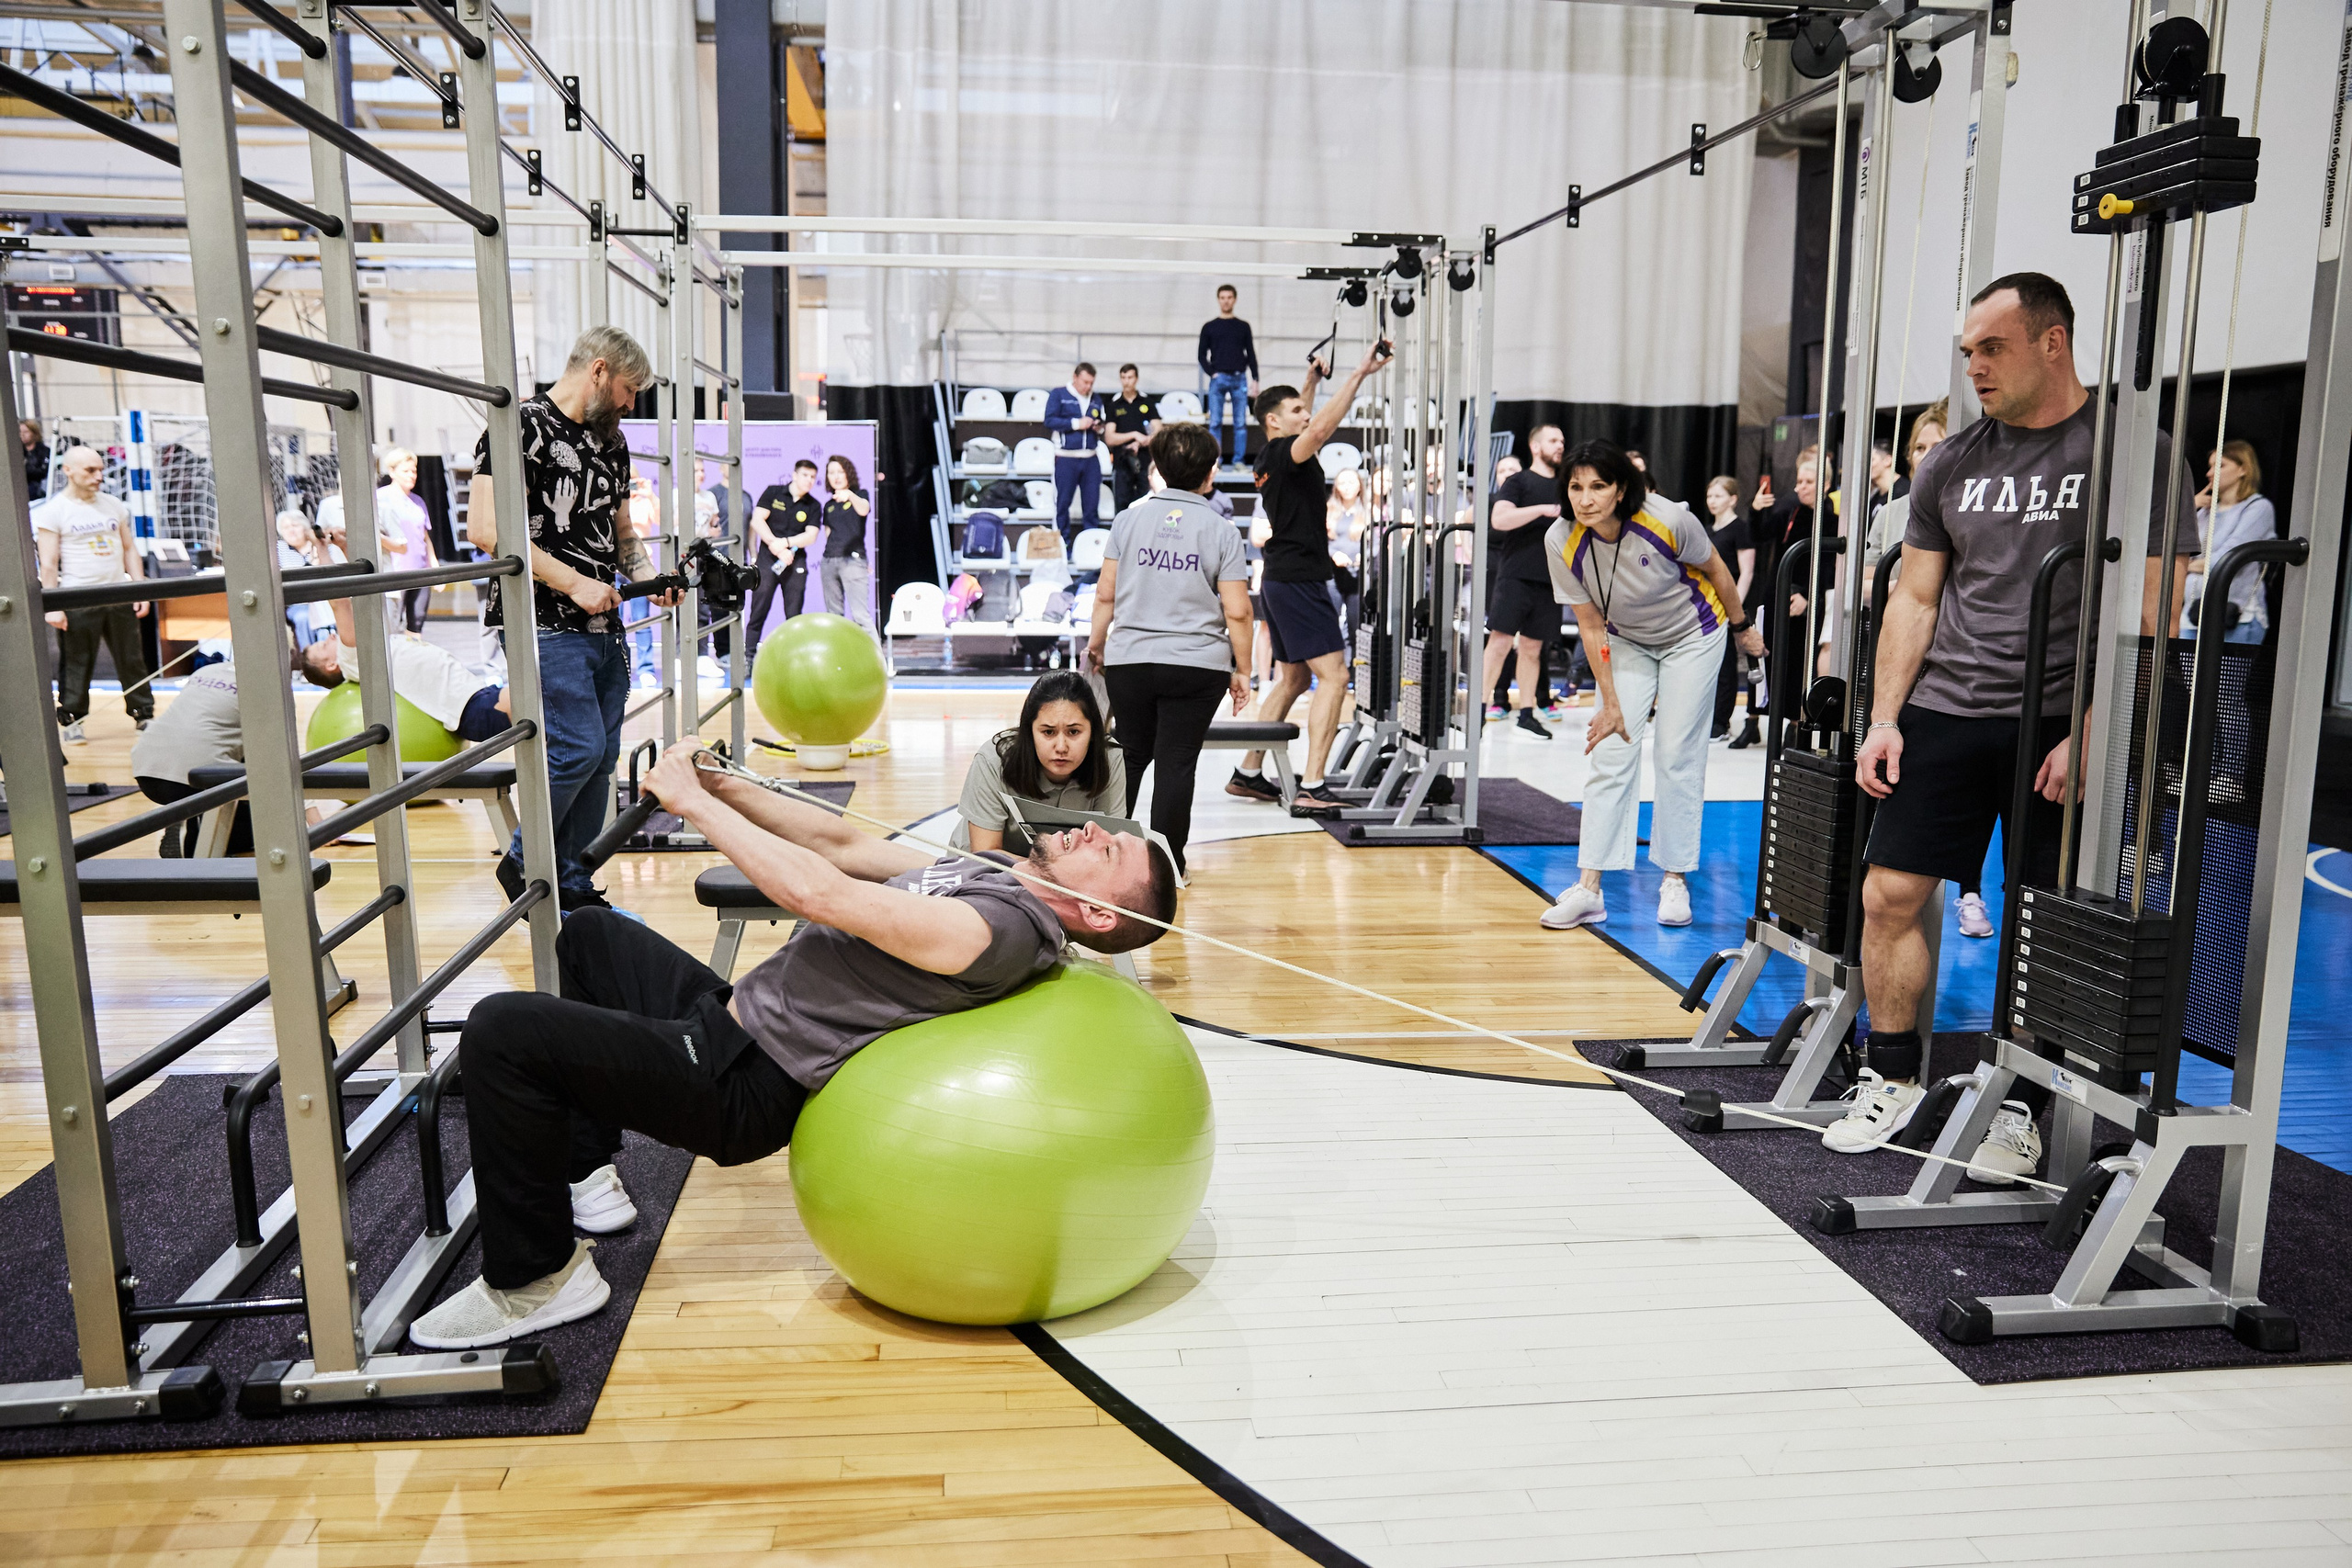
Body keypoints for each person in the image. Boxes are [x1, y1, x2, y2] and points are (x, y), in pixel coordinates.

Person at [405, 743, 1178, 1350]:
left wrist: (691, 806)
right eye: (1108, 832)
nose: (1093, 829)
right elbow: (841, 843)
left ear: (1099, 915)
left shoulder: (997, 930)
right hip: (732, 1017)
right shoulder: (1003, 874)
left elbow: (820, 893)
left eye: (1107, 852)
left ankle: (537, 1277)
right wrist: (724, 784)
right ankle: (584, 1169)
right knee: (594, 935)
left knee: (504, 1030)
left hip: (743, 1083)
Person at [1842, 272, 2197, 1171]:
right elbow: (1914, 600)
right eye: (1966, 353)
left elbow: (2154, 609)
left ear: (2052, 342)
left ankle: (2023, 1111)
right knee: (1887, 895)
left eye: (1990, 348)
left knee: (2042, 921)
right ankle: (1890, 1076)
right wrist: (1885, 717)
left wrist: (2093, 728)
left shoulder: (2132, 454)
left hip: (2059, 719)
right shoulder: (1951, 461)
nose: (1974, 368)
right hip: (1950, 711)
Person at [469, 325, 676, 911]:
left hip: (602, 625)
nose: (631, 404)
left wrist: (649, 578)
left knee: (604, 754)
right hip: (542, 619)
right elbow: (486, 530)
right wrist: (574, 583)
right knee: (577, 748)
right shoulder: (518, 428)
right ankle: (523, 858)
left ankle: (574, 882)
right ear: (599, 371)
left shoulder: (612, 441)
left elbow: (622, 532)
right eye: (629, 390)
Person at [1536, 441, 1763, 931]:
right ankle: (1589, 889)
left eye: (1598, 486)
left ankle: (1674, 879)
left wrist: (1743, 628)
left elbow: (1718, 572)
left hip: (1693, 635)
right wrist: (1611, 704)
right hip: (1625, 640)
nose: (1586, 498)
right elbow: (1590, 624)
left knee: (1676, 753)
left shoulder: (1668, 520)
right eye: (1576, 487)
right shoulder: (1561, 540)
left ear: (1620, 490)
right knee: (1610, 751)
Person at [1227, 340, 1393, 816]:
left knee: (1294, 677)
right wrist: (1359, 373)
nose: (1306, 414)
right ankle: (1312, 785)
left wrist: (1311, 383)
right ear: (1275, 421)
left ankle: (1249, 771)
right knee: (1335, 677)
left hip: (1283, 579)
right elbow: (1315, 430)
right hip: (1297, 580)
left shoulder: (1270, 455)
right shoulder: (1286, 454)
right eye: (1296, 409)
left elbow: (1302, 420)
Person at [1091, 423, 1253, 871]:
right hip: (1198, 666)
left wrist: (1097, 644)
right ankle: (1166, 867)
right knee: (1177, 763)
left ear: (1157, 466)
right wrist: (1244, 669)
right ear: (1210, 474)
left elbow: (1106, 593)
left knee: (1131, 755)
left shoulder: (1127, 519)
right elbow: (1238, 611)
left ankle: (1105, 861)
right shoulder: (1223, 531)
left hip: (1131, 660)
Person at [35, 445, 153, 742]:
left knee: (132, 658)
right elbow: (48, 563)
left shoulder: (112, 504)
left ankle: (143, 714)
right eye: (91, 470)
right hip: (78, 598)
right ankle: (72, 718)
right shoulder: (54, 511)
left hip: (117, 594)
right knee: (77, 661)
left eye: (101, 469)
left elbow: (129, 548)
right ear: (68, 471)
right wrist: (53, 605)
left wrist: (139, 587)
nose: (99, 475)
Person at [954, 671, 1128, 853]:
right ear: (1030, 732)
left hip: (1067, 876)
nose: (1061, 747)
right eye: (1048, 732)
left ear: (1093, 732)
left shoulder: (1109, 758)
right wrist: (1055, 871)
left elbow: (1107, 851)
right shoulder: (993, 761)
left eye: (1074, 732)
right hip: (990, 873)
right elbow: (986, 855)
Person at [1482, 423, 1566, 739]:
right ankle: (1479, 708)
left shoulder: (1565, 485)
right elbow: (1500, 520)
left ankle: (1527, 713)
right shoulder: (1518, 482)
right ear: (1536, 446)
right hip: (1515, 574)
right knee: (1500, 643)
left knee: (1532, 649)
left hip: (1549, 579)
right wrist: (1543, 510)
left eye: (1561, 441)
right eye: (1553, 440)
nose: (1559, 445)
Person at [2186, 438, 2275, 646]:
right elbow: (2176, 551)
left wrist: (2189, 566)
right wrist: (2188, 508)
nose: (2210, 473)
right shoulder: (2204, 512)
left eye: (2220, 465)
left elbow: (2229, 557)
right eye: (2209, 467)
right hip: (2192, 616)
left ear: (2243, 469)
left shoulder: (2257, 508)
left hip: (2235, 617)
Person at [1702, 475, 1758, 742]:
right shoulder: (1705, 530)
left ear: (1733, 499)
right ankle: (1705, 719)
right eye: (1710, 496)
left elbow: (1746, 572)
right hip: (1705, 605)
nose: (1712, 501)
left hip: (1728, 605)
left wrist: (1733, 608)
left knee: (1726, 665)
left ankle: (1720, 723)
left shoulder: (1740, 528)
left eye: (1719, 496)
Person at [747, 458, 820, 660]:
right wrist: (775, 546)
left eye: (813, 477)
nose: (809, 480)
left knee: (794, 613)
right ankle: (748, 656)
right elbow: (757, 520)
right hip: (767, 560)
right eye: (805, 475)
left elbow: (811, 536)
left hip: (795, 561)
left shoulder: (813, 505)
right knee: (758, 610)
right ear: (795, 475)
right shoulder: (773, 492)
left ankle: (794, 657)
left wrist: (786, 543)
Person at [1043, 363, 1108, 542]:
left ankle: (1091, 547)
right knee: (1063, 504)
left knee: (1091, 506)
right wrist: (1077, 423)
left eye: (1091, 383)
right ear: (1075, 377)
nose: (1088, 386)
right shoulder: (1059, 394)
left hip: (1091, 459)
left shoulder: (1096, 398)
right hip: (1066, 458)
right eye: (1085, 382)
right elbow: (1049, 420)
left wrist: (1098, 427)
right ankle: (1063, 545)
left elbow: (1102, 423)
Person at [1198, 285, 1259, 468]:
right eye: (1223, 297)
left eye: (1229, 297)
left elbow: (1250, 353)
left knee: (1240, 423)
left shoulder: (1243, 326)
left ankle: (1238, 460)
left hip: (1239, 378)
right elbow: (1201, 355)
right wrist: (1212, 373)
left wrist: (1255, 379)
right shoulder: (1209, 327)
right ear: (1218, 300)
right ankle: (1215, 460)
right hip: (1219, 379)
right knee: (1215, 422)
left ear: (1235, 299)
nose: (1226, 301)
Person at [377, 446, 436, 634]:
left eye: (414, 471)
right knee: (392, 624)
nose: (412, 475)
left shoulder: (418, 501)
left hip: (420, 571)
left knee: (417, 622)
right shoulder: (381, 498)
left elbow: (425, 537)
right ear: (392, 472)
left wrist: (434, 568)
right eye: (406, 471)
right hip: (395, 572)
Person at [816, 455, 874, 630]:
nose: (836, 476)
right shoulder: (828, 505)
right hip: (829, 561)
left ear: (848, 474)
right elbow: (828, 533)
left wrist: (849, 495)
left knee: (861, 617)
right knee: (834, 619)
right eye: (831, 473)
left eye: (840, 471)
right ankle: (838, 657)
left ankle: (876, 658)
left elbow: (864, 510)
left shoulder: (860, 495)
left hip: (852, 560)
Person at [1103, 364, 1160, 513]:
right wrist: (1134, 435)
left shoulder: (1147, 402)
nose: (1126, 381)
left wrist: (1139, 442)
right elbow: (1109, 438)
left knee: (1146, 505)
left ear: (1136, 379)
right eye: (1123, 378)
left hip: (1145, 462)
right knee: (1122, 506)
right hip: (1122, 462)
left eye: (1130, 377)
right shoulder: (1114, 405)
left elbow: (1158, 432)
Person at [1327, 465, 1370, 642]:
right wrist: (1334, 554)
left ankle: (1354, 667)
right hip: (1332, 576)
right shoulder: (1328, 510)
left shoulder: (1368, 512)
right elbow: (1321, 542)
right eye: (1342, 483)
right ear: (1336, 487)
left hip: (1357, 577)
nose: (1347, 486)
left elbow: (1375, 543)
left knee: (1355, 629)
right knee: (1330, 626)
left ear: (1360, 485)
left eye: (1351, 482)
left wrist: (1364, 556)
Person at [19, 417, 49, 496]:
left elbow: (43, 471)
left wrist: (26, 470)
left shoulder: (44, 451)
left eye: (26, 432)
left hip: (37, 486)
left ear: (34, 433)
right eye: (20, 432)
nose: (22, 435)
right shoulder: (18, 452)